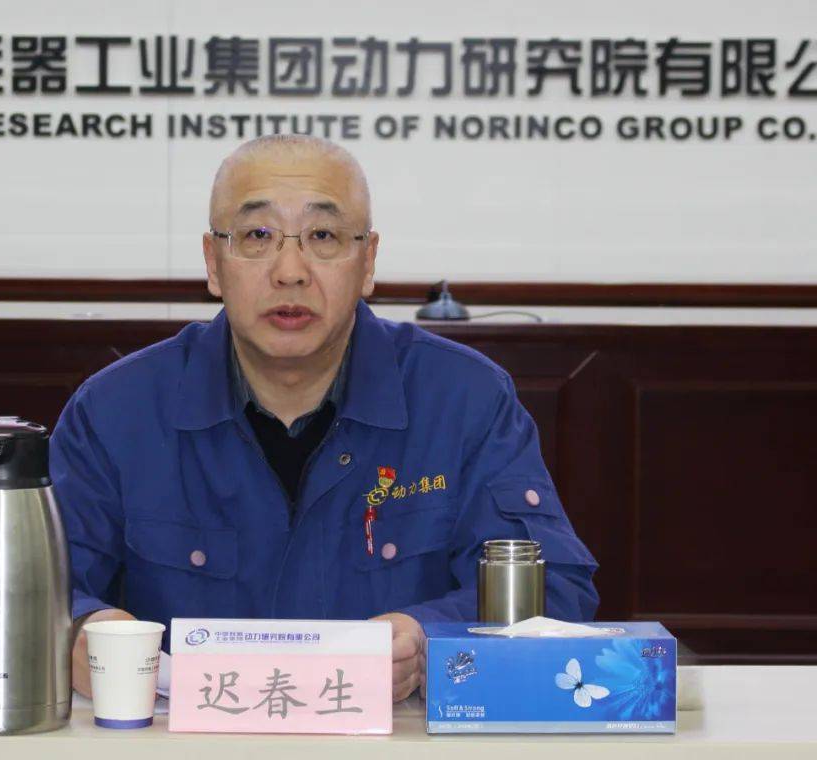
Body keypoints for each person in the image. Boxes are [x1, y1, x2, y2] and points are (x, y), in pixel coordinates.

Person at [50, 135, 598, 702]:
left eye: (323, 236)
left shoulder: (464, 400)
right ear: (213, 263)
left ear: (368, 262)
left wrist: (427, 639)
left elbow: (556, 593)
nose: (290, 271)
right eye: (257, 236)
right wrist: (82, 631)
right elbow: (35, 594)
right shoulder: (116, 412)